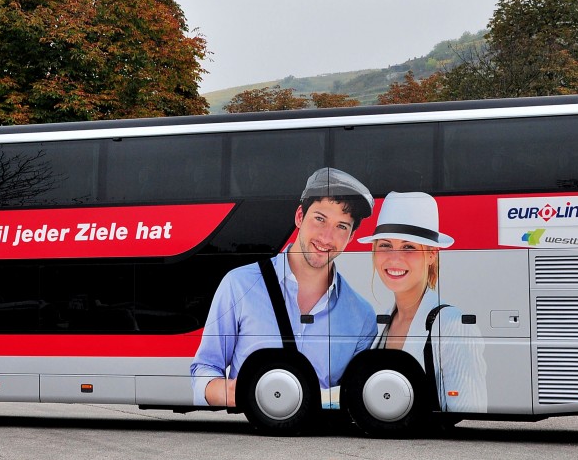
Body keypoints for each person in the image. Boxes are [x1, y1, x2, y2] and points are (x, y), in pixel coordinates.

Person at [191, 168, 378, 408]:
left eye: (341, 226)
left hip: (320, 441)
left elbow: (355, 395)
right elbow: (205, 367)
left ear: (351, 236)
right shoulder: (239, 284)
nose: (326, 237)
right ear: (300, 216)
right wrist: (229, 392)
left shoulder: (362, 316)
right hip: (249, 435)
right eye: (319, 219)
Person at [360, 191, 487, 414]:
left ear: (431, 255)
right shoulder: (379, 322)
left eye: (408, 247)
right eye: (385, 245)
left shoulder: (452, 324)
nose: (394, 257)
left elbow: (468, 408)